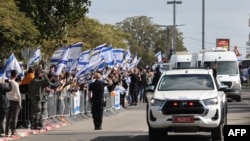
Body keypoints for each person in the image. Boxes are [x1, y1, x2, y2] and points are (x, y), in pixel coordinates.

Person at [5, 70, 22, 137]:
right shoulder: (15, 84)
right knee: (15, 117)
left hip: (8, 100)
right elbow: (18, 94)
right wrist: (20, 102)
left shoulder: (7, 83)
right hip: (15, 101)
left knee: (8, 117)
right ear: (15, 75)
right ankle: (13, 131)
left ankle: (6, 131)